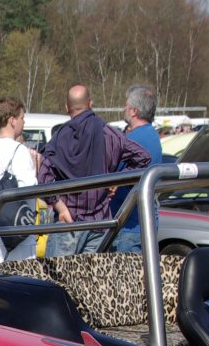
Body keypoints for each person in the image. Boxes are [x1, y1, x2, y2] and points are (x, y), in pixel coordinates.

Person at [38, 84, 151, 255]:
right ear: (90, 103)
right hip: (100, 222)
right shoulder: (111, 134)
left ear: (67, 107)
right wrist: (118, 181)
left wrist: (59, 207)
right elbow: (143, 157)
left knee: (56, 280)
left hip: (68, 221)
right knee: (91, 280)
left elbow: (43, 178)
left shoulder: (60, 137)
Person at [0, 96, 39, 267]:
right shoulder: (20, 151)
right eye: (22, 118)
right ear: (12, 120)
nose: (23, 122)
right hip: (15, 235)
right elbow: (29, 190)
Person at [111, 84, 163, 254]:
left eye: (126, 105)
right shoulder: (152, 136)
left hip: (129, 226)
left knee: (123, 278)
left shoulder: (131, 141)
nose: (124, 108)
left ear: (134, 111)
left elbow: (110, 174)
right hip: (145, 223)